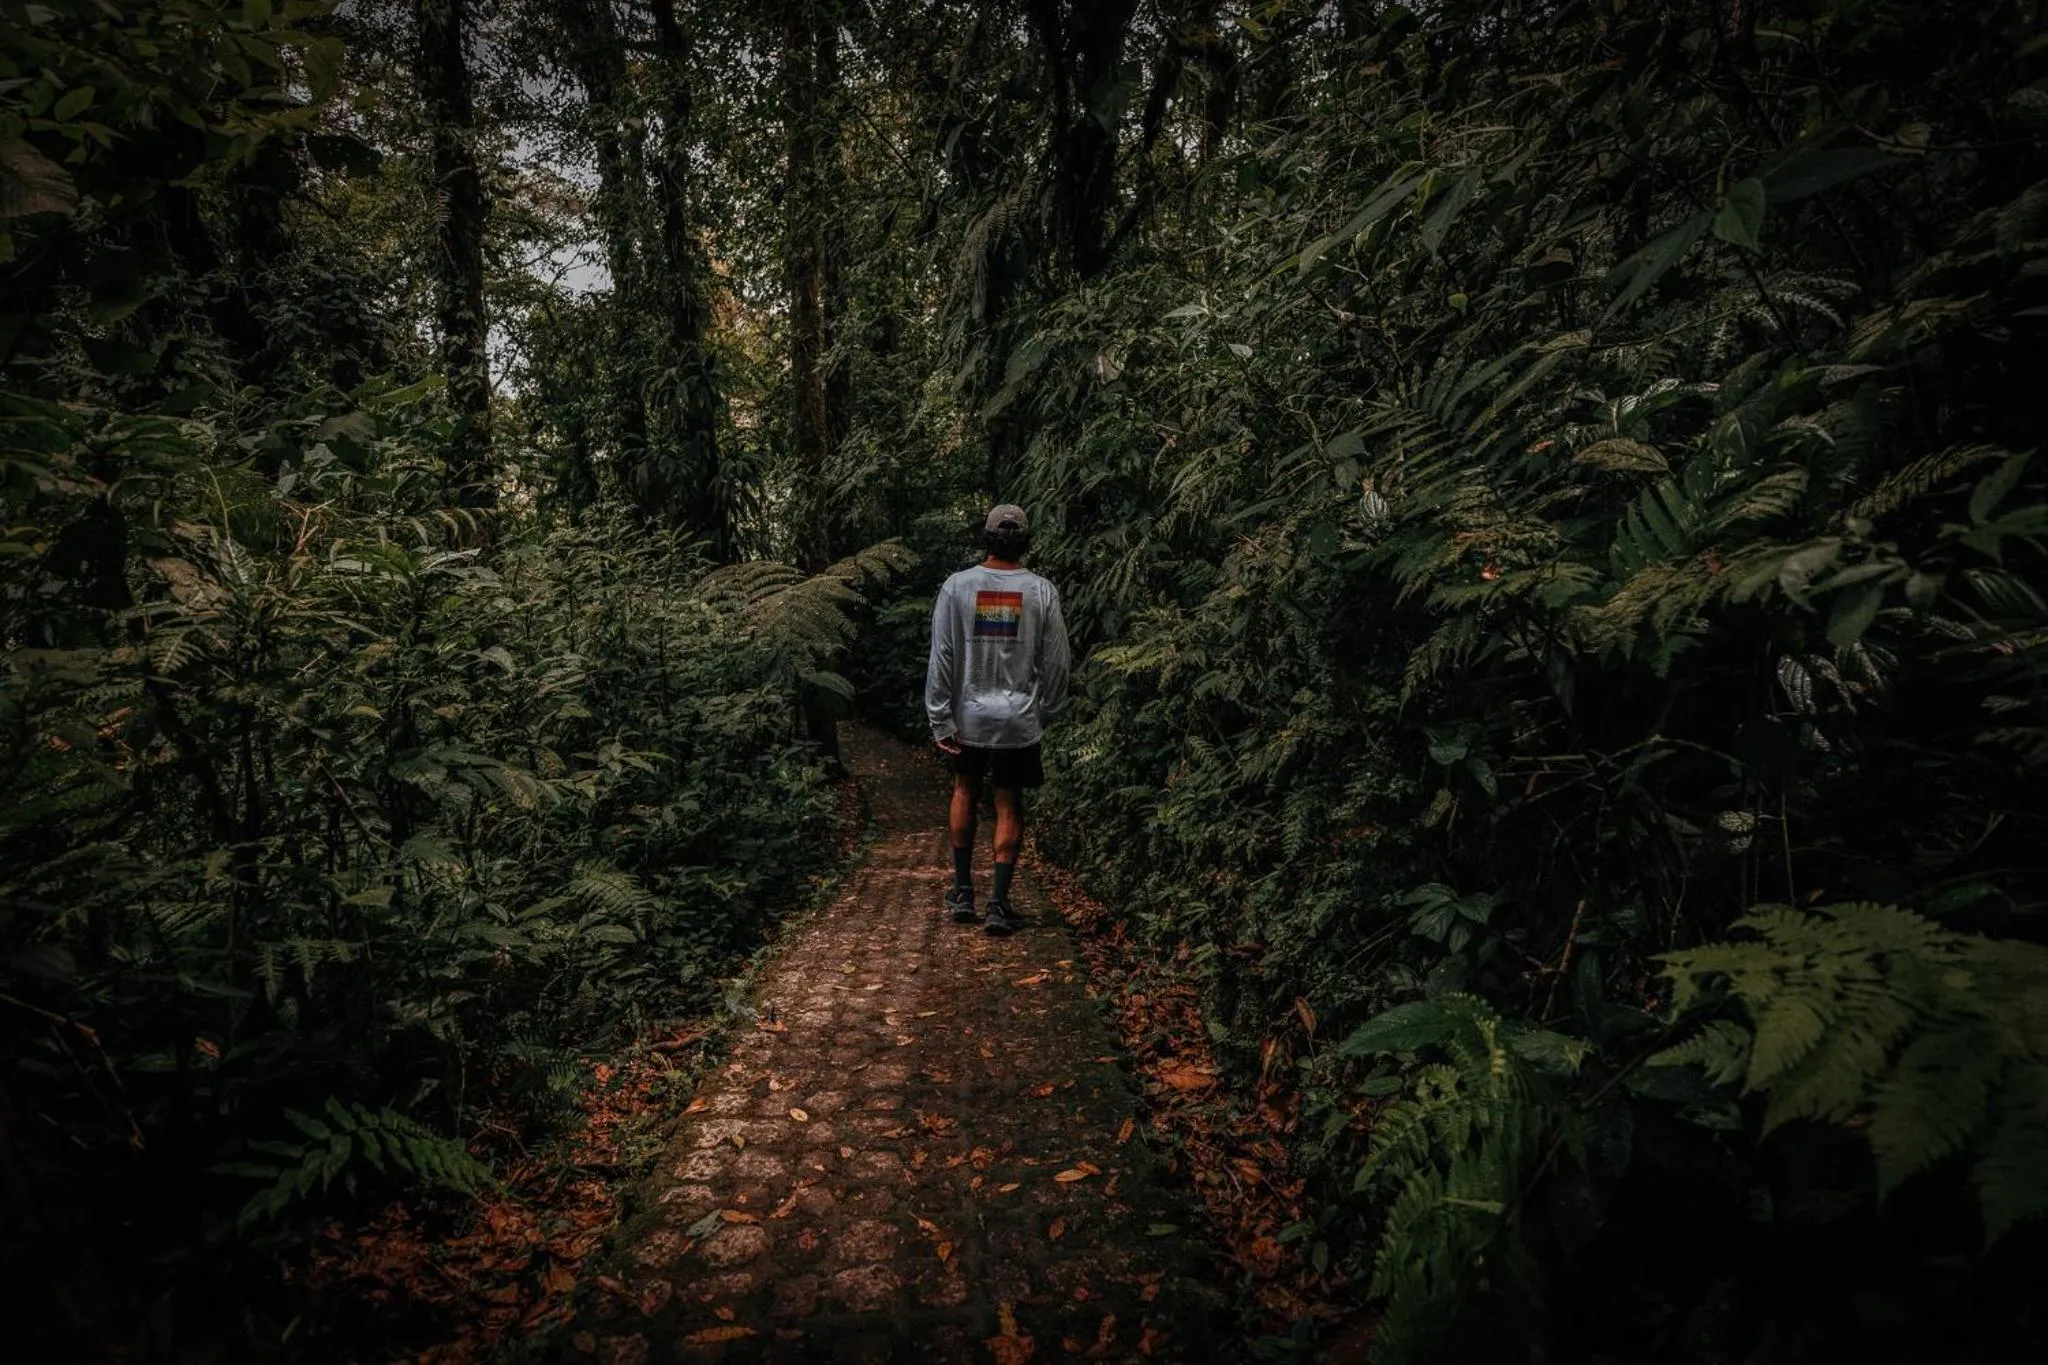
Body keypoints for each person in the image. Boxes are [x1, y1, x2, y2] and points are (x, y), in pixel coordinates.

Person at [924, 503, 1070, 935]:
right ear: (1025, 541)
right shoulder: (1041, 591)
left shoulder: (957, 587)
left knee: (964, 790)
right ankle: (998, 903)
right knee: (1008, 802)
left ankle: (964, 891)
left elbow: (943, 656)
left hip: (968, 717)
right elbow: (1058, 662)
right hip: (1018, 720)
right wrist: (1046, 710)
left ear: (986, 538)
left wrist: (940, 718)